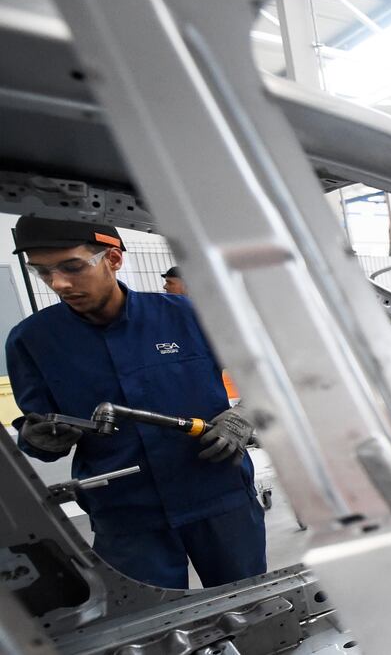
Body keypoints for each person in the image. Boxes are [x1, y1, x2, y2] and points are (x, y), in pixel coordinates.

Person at [6, 217, 265, 589]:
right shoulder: (31, 341)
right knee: (149, 630)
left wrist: (243, 415)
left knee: (250, 604)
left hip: (217, 495)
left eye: (72, 267)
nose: (58, 283)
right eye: (43, 272)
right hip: (125, 514)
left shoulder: (188, 317)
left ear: (113, 258)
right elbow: (37, 433)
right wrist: (40, 438)